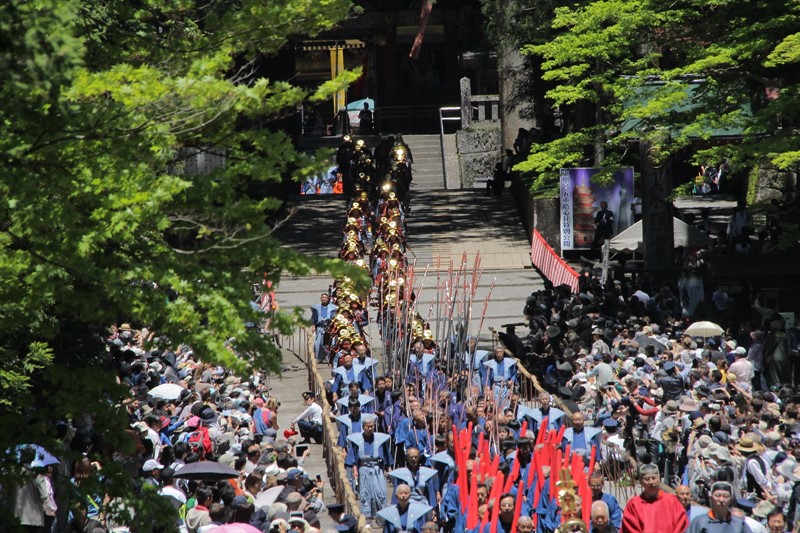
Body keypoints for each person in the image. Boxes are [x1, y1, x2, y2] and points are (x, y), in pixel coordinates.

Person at [345, 415, 393, 526]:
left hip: (377, 469)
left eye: (372, 426)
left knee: (380, 492)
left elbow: (386, 455)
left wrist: (388, 469)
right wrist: (355, 470)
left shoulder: (380, 439)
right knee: (365, 493)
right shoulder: (356, 440)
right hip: (364, 469)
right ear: (363, 427)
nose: (370, 429)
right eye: (368, 427)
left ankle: (382, 518)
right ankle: (366, 518)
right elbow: (352, 458)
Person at [620, 464, 688, 533]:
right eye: (647, 479)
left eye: (653, 478)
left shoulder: (672, 501)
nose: (651, 482)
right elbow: (630, 528)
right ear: (640, 481)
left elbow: (680, 524)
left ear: (659, 478)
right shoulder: (634, 504)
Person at [688, 481, 752, 533]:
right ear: (711, 498)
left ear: (731, 500)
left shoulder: (739, 524)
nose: (721, 500)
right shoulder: (699, 522)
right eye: (717, 495)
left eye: (725, 496)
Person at [311, 293, 337, 363]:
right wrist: (313, 326)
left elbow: (335, 317)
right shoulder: (317, 308)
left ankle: (329, 358)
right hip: (320, 328)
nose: (324, 298)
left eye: (325, 297)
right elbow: (313, 318)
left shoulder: (333, 308)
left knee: (329, 343)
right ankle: (319, 358)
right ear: (321, 299)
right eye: (323, 297)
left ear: (328, 299)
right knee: (318, 343)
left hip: (329, 328)